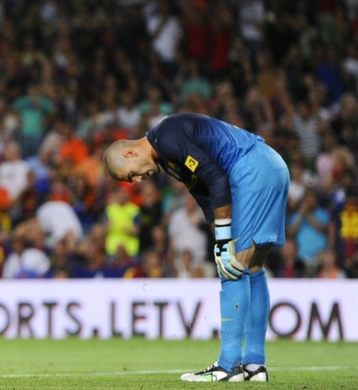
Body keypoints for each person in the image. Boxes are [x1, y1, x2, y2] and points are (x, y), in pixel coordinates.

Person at [103, 112, 289, 382]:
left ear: (130, 153)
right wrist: (218, 238)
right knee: (253, 265)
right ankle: (254, 365)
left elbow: (216, 178)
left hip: (250, 168)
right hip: (271, 165)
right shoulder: (168, 158)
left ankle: (227, 366)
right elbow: (204, 195)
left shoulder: (167, 137)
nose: (137, 181)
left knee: (233, 267)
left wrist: (224, 240)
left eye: (131, 175)